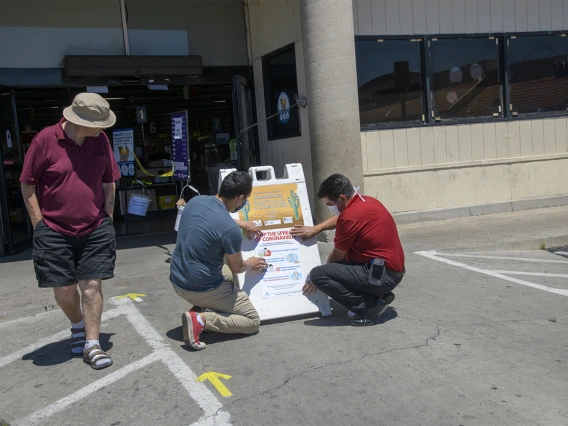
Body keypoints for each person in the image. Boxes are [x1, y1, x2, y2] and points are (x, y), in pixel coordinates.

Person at [20, 93, 120, 369]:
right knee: (64, 289)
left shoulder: (100, 140)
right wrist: (38, 223)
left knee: (91, 286)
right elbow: (27, 184)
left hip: (95, 226)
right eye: (97, 123)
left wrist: (108, 217)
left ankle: (92, 343)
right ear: (77, 121)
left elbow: (109, 182)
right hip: (52, 227)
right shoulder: (45, 140)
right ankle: (78, 325)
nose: (102, 128)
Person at [170, 171, 268, 351]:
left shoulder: (196, 201)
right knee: (252, 321)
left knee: (227, 274)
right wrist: (252, 262)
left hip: (177, 279)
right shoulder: (230, 230)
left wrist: (242, 223)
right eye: (246, 198)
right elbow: (238, 267)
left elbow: (214, 219)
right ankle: (202, 319)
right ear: (239, 199)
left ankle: (200, 306)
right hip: (199, 287)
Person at [303, 174, 405, 326]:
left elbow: (337, 256)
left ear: (342, 198)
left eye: (330, 204)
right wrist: (317, 229)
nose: (331, 208)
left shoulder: (349, 217)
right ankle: (378, 295)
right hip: (391, 272)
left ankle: (369, 307)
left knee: (320, 274)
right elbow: (342, 217)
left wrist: (315, 278)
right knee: (342, 264)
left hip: (381, 276)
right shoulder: (368, 201)